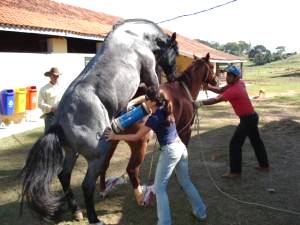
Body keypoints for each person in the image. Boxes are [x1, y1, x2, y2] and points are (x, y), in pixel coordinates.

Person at [105, 86, 207, 225]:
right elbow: (149, 97)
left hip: (170, 151)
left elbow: (136, 137)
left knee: (159, 189)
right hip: (181, 148)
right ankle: (201, 212)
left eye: (147, 99)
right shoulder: (165, 105)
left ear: (153, 102)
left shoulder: (154, 118)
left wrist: (114, 136)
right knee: (185, 182)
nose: (144, 101)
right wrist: (132, 103)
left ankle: (164, 222)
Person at [196, 65, 269, 178]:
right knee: (256, 142)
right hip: (252, 117)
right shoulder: (239, 83)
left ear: (236, 77)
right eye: (227, 75)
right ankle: (264, 165)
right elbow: (220, 89)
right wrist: (209, 87)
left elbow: (217, 99)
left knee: (235, 144)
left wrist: (200, 103)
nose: (227, 77)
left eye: (230, 75)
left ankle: (235, 172)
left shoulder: (235, 89)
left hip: (247, 120)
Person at [38, 67, 63, 133]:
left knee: (60, 135)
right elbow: (40, 104)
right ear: (50, 76)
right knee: (49, 134)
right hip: (50, 116)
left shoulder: (61, 87)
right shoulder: (44, 89)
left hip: (60, 115)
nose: (56, 78)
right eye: (54, 76)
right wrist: (51, 108)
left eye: (57, 76)